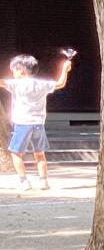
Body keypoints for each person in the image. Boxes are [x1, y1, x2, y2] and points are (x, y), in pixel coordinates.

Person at [1, 49, 76, 194]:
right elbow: (60, 84)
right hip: (38, 124)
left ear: (21, 70)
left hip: (22, 124)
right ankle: (44, 181)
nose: (12, 73)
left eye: (14, 70)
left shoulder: (16, 84)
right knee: (40, 154)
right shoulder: (42, 84)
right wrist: (65, 69)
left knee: (16, 154)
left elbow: (2, 83)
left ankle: (24, 181)